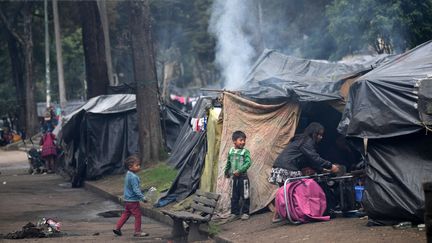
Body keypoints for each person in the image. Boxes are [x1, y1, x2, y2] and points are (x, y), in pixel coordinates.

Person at [268, 122, 339, 222]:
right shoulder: (307, 142)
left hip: (279, 166)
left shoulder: (301, 141)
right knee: (298, 190)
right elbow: (314, 158)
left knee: (283, 192)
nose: (320, 137)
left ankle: (278, 215)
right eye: (318, 134)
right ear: (312, 133)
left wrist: (322, 169)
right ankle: (301, 212)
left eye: (322, 135)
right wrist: (331, 166)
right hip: (288, 167)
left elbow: (309, 160)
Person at [113, 155, 149, 238]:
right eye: (137, 165)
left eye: (139, 165)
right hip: (133, 201)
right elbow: (136, 190)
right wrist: (143, 198)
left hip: (127, 200)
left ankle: (117, 228)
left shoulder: (128, 174)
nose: (139, 166)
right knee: (138, 215)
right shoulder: (134, 177)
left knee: (126, 214)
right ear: (130, 167)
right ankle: (137, 232)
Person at [224, 131, 252, 221]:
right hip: (234, 178)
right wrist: (226, 172)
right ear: (234, 141)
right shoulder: (231, 151)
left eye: (244, 140)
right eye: (241, 140)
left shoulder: (245, 152)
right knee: (234, 195)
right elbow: (228, 162)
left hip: (243, 177)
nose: (243, 142)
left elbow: (248, 163)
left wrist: (240, 170)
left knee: (245, 195)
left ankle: (245, 212)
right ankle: (234, 213)